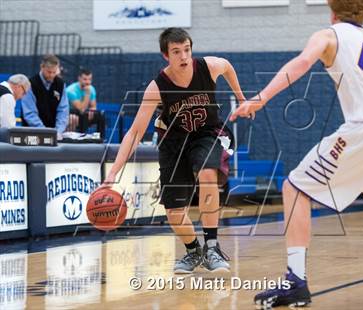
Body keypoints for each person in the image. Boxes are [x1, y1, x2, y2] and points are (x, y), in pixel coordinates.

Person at [230, 0, 363, 307]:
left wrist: (260, 98)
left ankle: (295, 281)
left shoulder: (329, 35)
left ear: (332, 10)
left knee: (294, 188)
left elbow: (301, 63)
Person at [101, 28, 245, 273]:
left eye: (187, 49)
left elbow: (228, 66)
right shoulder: (157, 88)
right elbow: (135, 132)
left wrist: (242, 99)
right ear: (165, 55)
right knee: (174, 213)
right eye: (176, 52)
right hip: (174, 144)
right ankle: (193, 251)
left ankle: (212, 247)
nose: (184, 56)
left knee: (207, 172)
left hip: (208, 134)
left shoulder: (208, 67)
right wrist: (114, 171)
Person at [21, 54, 69, 134]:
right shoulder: (30, 84)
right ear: (42, 67)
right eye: (49, 72)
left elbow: (63, 110)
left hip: (54, 132)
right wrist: (44, 132)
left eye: (54, 72)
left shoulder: (61, 84)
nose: (52, 75)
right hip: (32, 132)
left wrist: (58, 131)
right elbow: (29, 113)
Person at [66, 69, 106, 138]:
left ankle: (100, 138)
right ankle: (82, 139)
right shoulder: (71, 90)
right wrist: (87, 94)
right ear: (79, 78)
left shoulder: (92, 89)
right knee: (83, 115)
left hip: (84, 114)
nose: (88, 82)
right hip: (71, 114)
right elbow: (81, 109)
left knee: (100, 115)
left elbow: (93, 106)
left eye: (89, 79)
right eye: (85, 79)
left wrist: (92, 111)